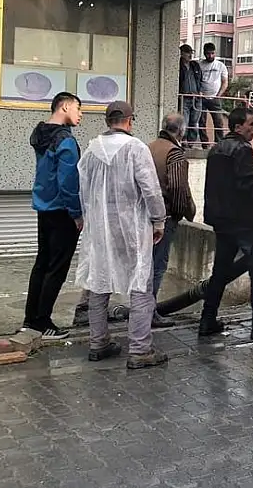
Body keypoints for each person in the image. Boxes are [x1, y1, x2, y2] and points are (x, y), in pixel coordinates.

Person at [76, 101, 169, 369]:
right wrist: (158, 220)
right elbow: (150, 189)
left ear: (107, 120)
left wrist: (86, 218)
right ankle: (140, 349)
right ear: (130, 120)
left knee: (98, 281)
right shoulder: (136, 148)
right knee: (140, 282)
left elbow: (83, 189)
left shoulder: (91, 150)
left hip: (100, 227)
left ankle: (98, 343)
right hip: (133, 225)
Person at [200, 107, 253, 341]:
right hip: (242, 221)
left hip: (222, 220)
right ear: (238, 127)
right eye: (251, 125)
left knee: (220, 272)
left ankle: (207, 319)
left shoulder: (216, 149)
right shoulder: (242, 149)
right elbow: (249, 185)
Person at [23, 92, 83, 340]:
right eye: (78, 109)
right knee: (57, 268)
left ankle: (30, 319)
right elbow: (68, 181)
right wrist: (77, 213)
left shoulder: (40, 135)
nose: (81, 115)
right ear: (65, 106)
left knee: (42, 264)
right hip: (62, 211)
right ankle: (43, 322)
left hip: (44, 208)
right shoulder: (64, 141)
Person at [146, 112, 196, 329]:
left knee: (144, 266)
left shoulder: (148, 148)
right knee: (157, 266)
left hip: (144, 215)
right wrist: (180, 212)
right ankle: (149, 313)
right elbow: (177, 188)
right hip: (164, 217)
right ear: (181, 130)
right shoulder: (174, 153)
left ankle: (141, 310)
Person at [197, 42, 229, 147]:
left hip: (215, 97)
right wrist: (199, 93)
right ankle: (205, 144)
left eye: (212, 53)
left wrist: (219, 95)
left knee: (218, 122)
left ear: (215, 53)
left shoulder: (221, 66)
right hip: (201, 97)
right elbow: (196, 80)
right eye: (208, 53)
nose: (210, 56)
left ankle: (218, 145)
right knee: (201, 122)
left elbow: (225, 82)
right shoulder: (200, 65)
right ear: (204, 53)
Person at [178, 44, 202, 144]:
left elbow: (200, 79)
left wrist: (200, 91)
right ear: (182, 53)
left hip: (195, 98)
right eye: (188, 53)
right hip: (185, 97)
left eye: (191, 53)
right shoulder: (178, 65)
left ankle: (191, 142)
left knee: (194, 121)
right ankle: (183, 141)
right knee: (184, 121)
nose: (190, 55)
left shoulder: (195, 65)